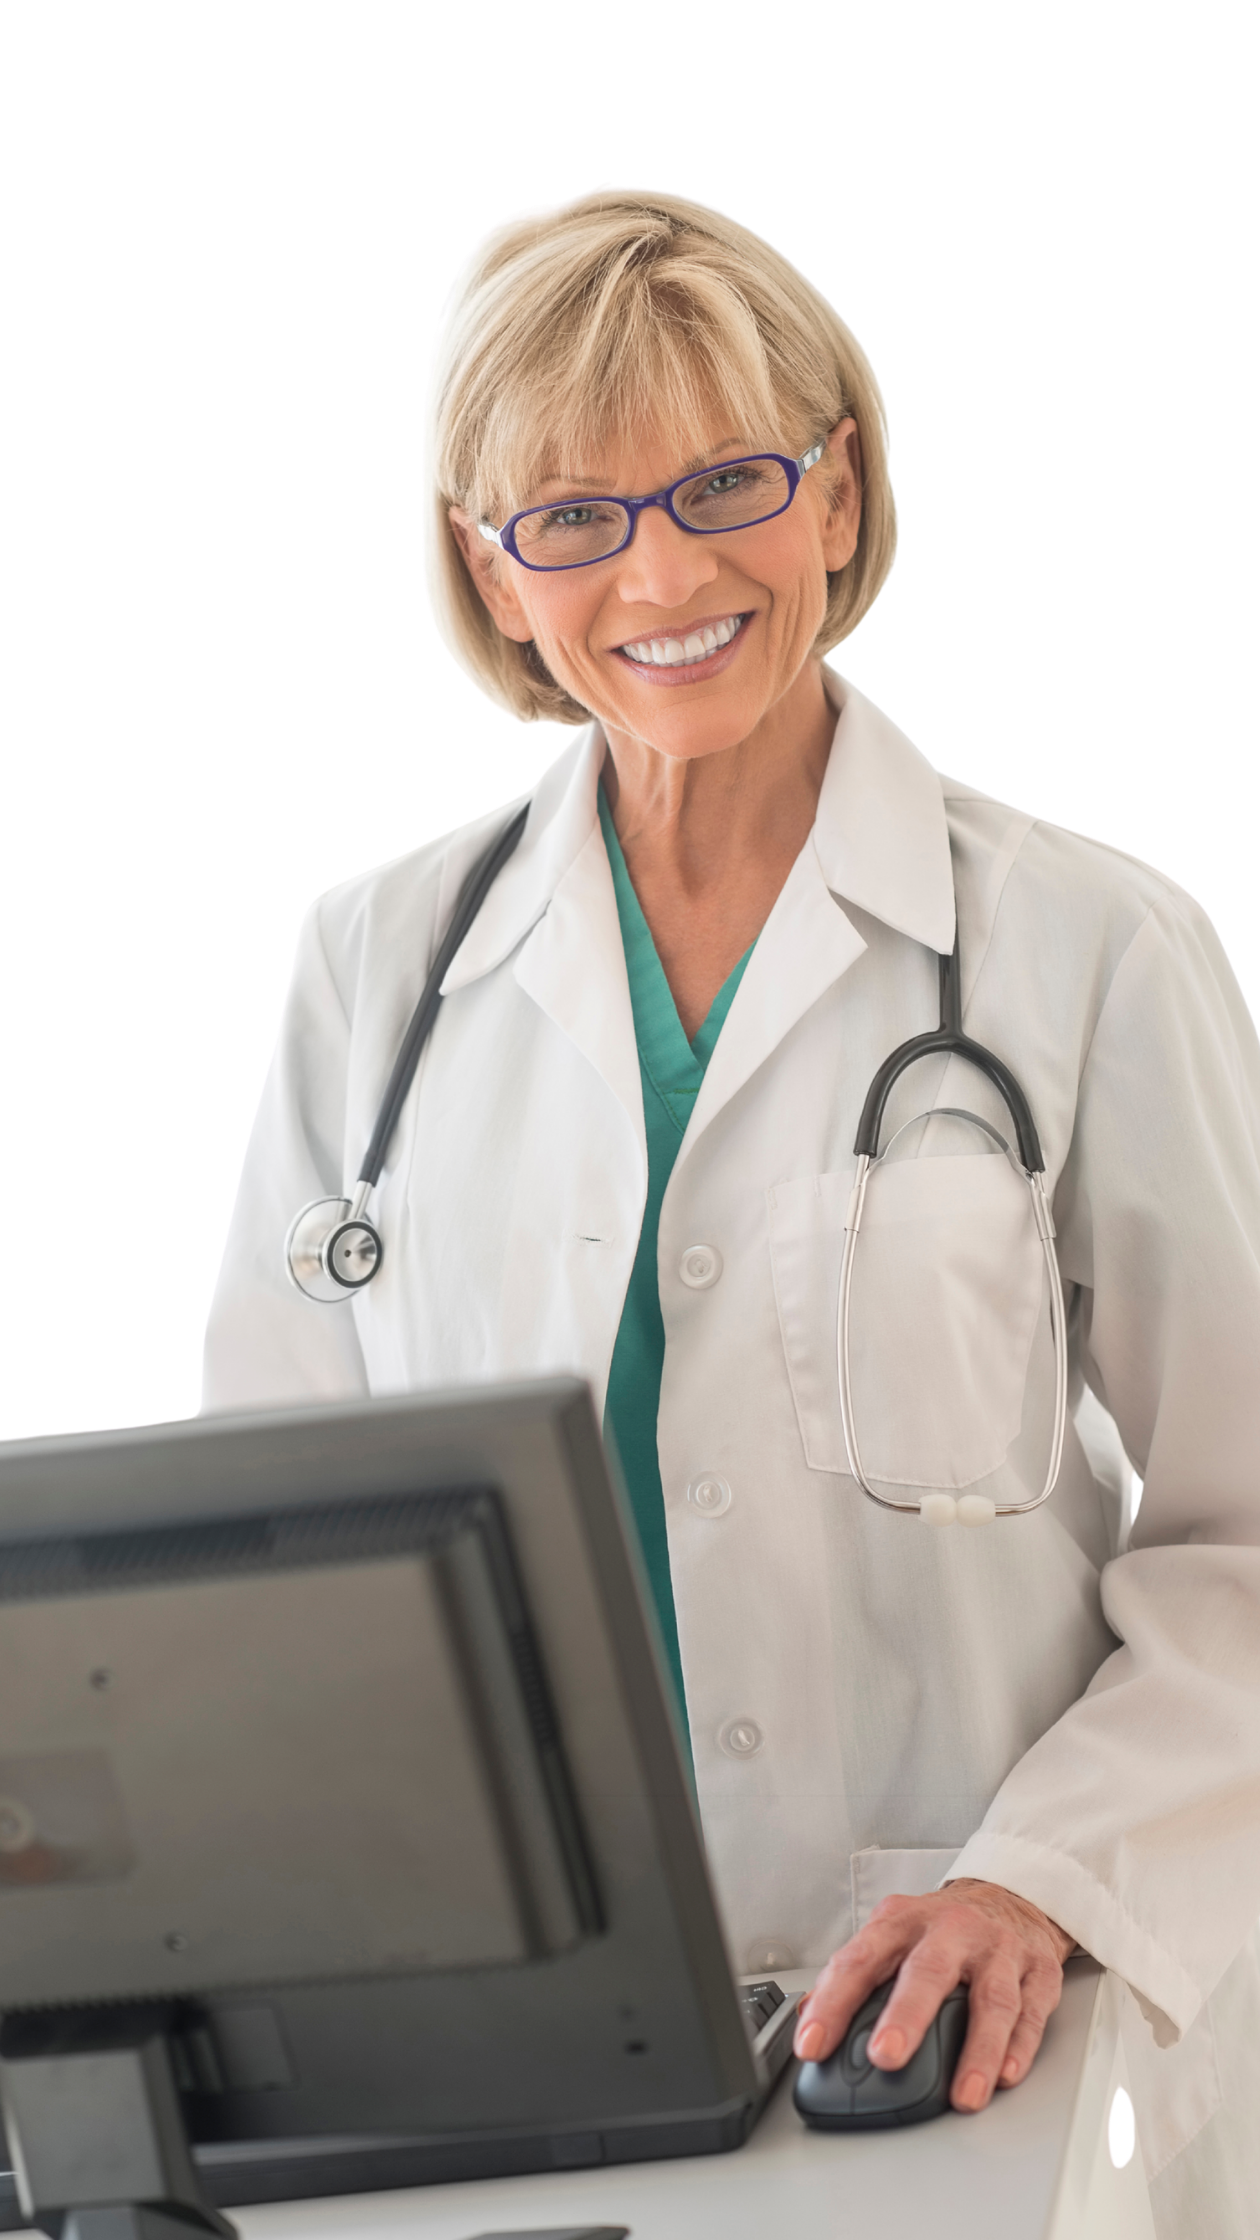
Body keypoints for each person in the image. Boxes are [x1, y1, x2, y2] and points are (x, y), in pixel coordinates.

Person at [201, 187, 1260, 2234]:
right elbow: (272, 1555)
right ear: (487, 568)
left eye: (726, 481)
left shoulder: (1087, 949)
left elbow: (1256, 1534)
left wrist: (1040, 1872)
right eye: (569, 515)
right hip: (488, 2046)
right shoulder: (373, 969)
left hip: (967, 2028)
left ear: (838, 486)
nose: (662, 571)